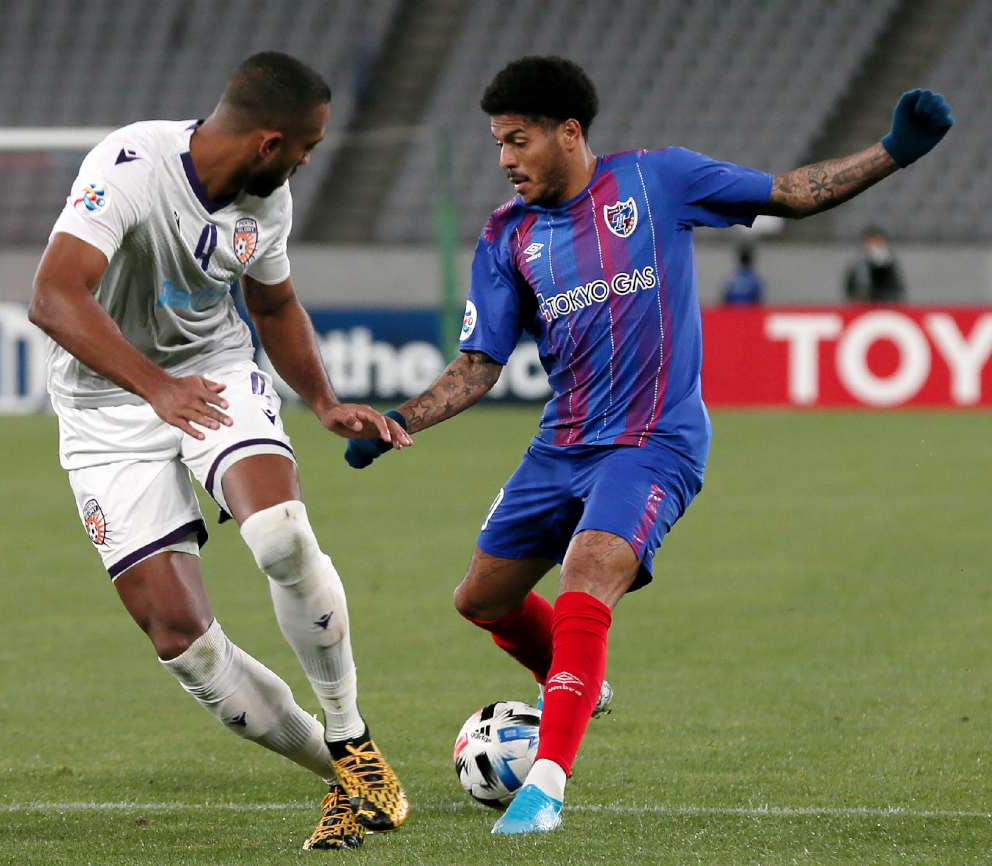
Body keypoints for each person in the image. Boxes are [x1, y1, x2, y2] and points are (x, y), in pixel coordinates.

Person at [345, 56, 953, 834]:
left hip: (655, 437)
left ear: (569, 133)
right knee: (482, 598)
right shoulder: (506, 237)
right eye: (498, 143)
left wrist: (894, 149)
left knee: (587, 570)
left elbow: (791, 195)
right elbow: (477, 366)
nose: (504, 159)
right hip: (562, 443)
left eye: (518, 140)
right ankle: (575, 683)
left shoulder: (658, 180)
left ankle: (547, 788)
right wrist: (399, 422)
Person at [29, 51, 412, 851]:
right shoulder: (128, 165)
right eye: (306, 146)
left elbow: (273, 306)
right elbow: (53, 295)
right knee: (180, 639)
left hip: (213, 373)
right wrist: (153, 389)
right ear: (269, 141)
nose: (309, 161)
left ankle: (351, 734)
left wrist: (323, 399)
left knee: (278, 532)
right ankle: (338, 778)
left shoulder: (266, 204)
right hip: (106, 408)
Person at [845, 226, 905, 302]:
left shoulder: (890, 261)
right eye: (872, 241)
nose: (875, 244)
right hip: (864, 302)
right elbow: (851, 285)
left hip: (886, 301)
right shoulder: (857, 262)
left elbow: (896, 285)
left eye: (877, 240)